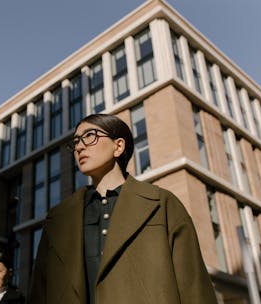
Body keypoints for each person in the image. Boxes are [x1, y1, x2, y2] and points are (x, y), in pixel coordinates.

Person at [30, 113, 217, 304]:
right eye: (76, 141)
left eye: (90, 136)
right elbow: (39, 293)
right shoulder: (58, 218)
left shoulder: (162, 204)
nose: (79, 146)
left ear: (118, 146)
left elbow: (194, 288)